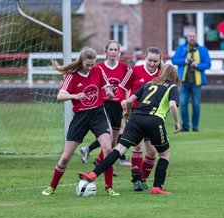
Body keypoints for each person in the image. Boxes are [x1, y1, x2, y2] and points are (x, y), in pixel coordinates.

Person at [78, 64, 181, 195]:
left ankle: (93, 174)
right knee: (164, 155)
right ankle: (157, 187)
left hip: (136, 119)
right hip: (154, 121)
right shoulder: (172, 87)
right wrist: (177, 123)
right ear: (174, 76)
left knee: (119, 150)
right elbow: (172, 105)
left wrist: (127, 113)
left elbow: (130, 100)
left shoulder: (149, 84)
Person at [41, 46, 119, 197]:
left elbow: (107, 89)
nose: (90, 67)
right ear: (82, 61)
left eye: (92, 64)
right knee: (65, 158)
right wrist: (75, 96)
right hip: (80, 117)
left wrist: (109, 93)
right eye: (87, 64)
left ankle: (109, 187)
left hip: (98, 114)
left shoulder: (98, 71)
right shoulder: (72, 75)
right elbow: (60, 96)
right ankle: (52, 187)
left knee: (108, 149)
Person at [80, 40, 131, 167]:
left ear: (119, 52)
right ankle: (107, 165)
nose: (113, 52)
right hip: (104, 104)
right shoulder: (98, 67)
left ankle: (96, 158)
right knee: (107, 136)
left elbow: (126, 86)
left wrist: (126, 101)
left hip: (118, 106)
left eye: (115, 50)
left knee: (113, 140)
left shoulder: (123, 67)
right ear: (106, 52)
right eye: (111, 49)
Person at [119, 47, 162, 191]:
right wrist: (123, 102)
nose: (152, 63)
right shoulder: (135, 70)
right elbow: (122, 87)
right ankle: (136, 180)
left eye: (155, 61)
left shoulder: (162, 76)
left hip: (152, 117)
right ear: (145, 57)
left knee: (152, 152)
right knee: (137, 146)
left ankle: (143, 179)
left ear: (159, 60)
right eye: (149, 60)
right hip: (135, 114)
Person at [171, 30, 211, 132]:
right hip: (183, 81)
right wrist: (184, 61)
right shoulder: (181, 48)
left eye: (193, 36)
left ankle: (195, 126)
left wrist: (198, 65)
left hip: (196, 82)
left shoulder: (202, 50)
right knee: (183, 103)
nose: (191, 38)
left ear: (196, 37)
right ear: (187, 38)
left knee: (196, 104)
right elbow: (174, 60)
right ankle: (185, 126)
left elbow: (208, 64)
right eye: (190, 36)